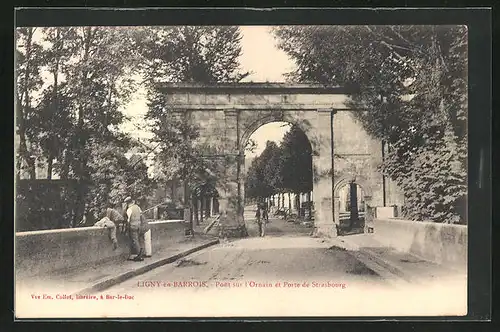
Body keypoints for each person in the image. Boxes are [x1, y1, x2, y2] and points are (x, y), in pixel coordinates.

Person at [124, 197, 146, 261]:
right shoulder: (137, 207)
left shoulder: (129, 209)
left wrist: (126, 228)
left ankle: (139, 255)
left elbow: (128, 220)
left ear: (127, 203)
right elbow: (141, 216)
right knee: (139, 240)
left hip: (133, 226)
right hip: (139, 226)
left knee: (135, 241)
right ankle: (140, 253)